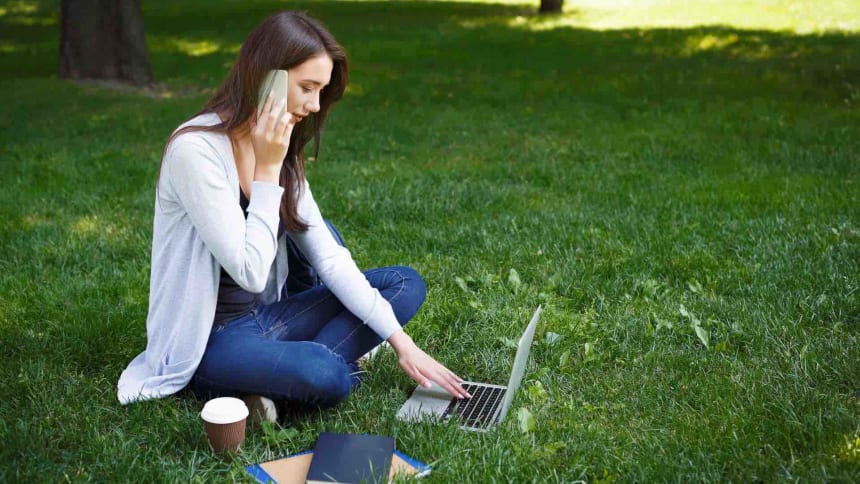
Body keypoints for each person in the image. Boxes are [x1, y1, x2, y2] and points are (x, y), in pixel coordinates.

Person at [117, 11, 470, 419]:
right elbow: (249, 270)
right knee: (328, 376)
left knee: (404, 283)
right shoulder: (195, 152)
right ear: (267, 77)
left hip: (269, 318)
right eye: (307, 88)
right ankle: (288, 373)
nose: (315, 104)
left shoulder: (284, 148)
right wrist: (267, 172)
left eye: (320, 91)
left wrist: (403, 345)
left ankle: (277, 380)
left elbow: (329, 257)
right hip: (210, 340)